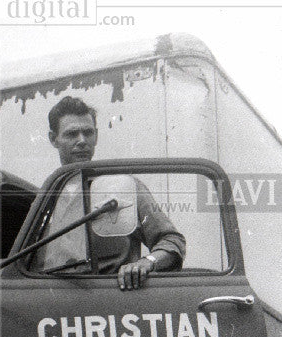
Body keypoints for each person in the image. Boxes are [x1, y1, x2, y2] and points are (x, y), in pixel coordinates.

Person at [40, 96, 186, 291]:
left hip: (110, 298)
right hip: (53, 299)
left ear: (96, 136)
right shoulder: (47, 195)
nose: (82, 141)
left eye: (88, 133)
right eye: (72, 134)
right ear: (53, 139)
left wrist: (146, 262)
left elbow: (172, 241)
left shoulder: (123, 187)